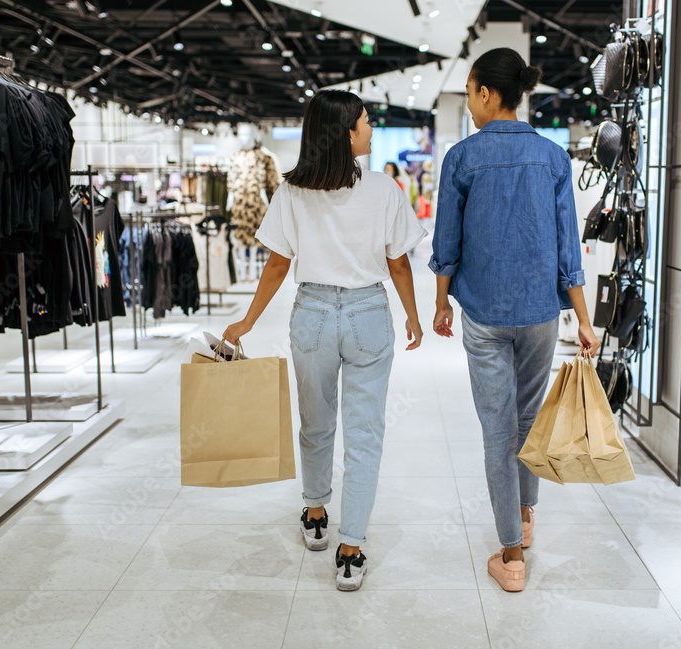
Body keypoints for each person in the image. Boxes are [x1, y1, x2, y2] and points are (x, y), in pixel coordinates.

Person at [223, 90, 427, 592]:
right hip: (367, 314)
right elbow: (399, 262)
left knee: (315, 421)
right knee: (365, 434)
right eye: (365, 122)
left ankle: (315, 514)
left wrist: (248, 321)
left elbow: (277, 263)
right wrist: (413, 317)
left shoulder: (293, 191)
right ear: (346, 134)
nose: (371, 129)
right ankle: (351, 547)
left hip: (311, 313)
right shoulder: (383, 189)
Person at [428, 48, 601, 592]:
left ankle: (510, 555)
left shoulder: (462, 157)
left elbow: (447, 243)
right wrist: (585, 318)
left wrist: (439, 302)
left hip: (483, 314)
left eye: (471, 92)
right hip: (540, 315)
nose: (471, 103)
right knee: (527, 421)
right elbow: (566, 244)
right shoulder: (552, 159)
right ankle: (525, 519)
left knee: (498, 430)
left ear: (484, 93)